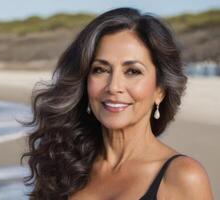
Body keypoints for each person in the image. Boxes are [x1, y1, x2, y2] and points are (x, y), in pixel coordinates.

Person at [20, 7, 213, 200]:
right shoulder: (63, 166)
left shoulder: (182, 178)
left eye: (132, 71)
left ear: (160, 90)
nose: (114, 87)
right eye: (100, 70)